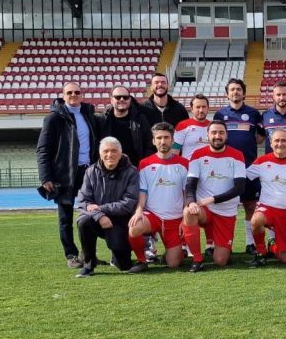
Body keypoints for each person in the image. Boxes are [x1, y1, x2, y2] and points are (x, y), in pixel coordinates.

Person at [36, 82, 98, 267]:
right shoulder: (53, 119)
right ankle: (71, 255)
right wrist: (45, 177)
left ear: (82, 94)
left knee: (91, 215)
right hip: (65, 175)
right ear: (63, 96)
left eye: (77, 92)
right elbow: (43, 149)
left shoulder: (88, 115)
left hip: (88, 173)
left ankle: (89, 255)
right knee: (66, 217)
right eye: (69, 92)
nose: (73, 95)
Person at [181, 119, 248, 272]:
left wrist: (213, 199)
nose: (217, 136)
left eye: (221, 133)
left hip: (226, 211)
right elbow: (190, 184)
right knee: (188, 212)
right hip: (205, 210)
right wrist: (191, 202)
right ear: (208, 135)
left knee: (221, 261)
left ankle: (221, 246)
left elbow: (239, 188)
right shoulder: (198, 155)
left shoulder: (237, 155)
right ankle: (197, 259)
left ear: (226, 135)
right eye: (214, 132)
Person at [126, 123, 189, 272]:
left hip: (175, 219)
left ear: (172, 140)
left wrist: (185, 218)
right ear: (153, 141)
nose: (163, 141)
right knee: (134, 227)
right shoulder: (145, 163)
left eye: (166, 137)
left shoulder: (184, 163)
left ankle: (169, 254)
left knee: (174, 264)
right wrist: (139, 211)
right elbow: (143, 192)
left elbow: (188, 193)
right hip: (153, 215)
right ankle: (142, 260)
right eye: (159, 138)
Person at [74, 137, 140, 278]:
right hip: (96, 219)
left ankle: (117, 256)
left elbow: (129, 203)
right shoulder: (91, 172)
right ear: (100, 153)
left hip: (120, 221)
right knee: (83, 222)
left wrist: (101, 209)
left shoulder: (131, 172)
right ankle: (89, 265)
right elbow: (82, 200)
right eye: (106, 151)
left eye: (114, 151)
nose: (110, 155)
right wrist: (100, 215)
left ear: (121, 153)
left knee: (124, 266)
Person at [214, 77, 265, 254]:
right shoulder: (220, 115)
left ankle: (250, 243)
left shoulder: (253, 113)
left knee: (251, 206)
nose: (235, 92)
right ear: (227, 94)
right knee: (224, 206)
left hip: (249, 167)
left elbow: (260, 137)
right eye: (232, 90)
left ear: (243, 93)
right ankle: (221, 244)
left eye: (238, 89)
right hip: (226, 169)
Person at [246, 129, 286, 269]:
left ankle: (272, 245)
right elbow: (243, 178)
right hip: (267, 209)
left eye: (283, 140)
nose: (280, 144)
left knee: (285, 258)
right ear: (271, 143)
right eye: (277, 141)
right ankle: (260, 253)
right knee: (256, 220)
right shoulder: (261, 161)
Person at [96, 86, 152, 165]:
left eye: (125, 97)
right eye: (118, 97)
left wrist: (144, 164)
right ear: (111, 100)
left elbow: (148, 143)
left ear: (129, 100)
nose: (122, 99)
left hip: (134, 169)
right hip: (110, 168)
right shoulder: (102, 120)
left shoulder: (140, 119)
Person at [173, 93, 211, 160]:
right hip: (189, 168)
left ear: (208, 108)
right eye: (198, 107)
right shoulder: (182, 125)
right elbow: (174, 151)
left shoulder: (213, 127)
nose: (201, 110)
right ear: (192, 109)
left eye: (204, 107)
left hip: (208, 168)